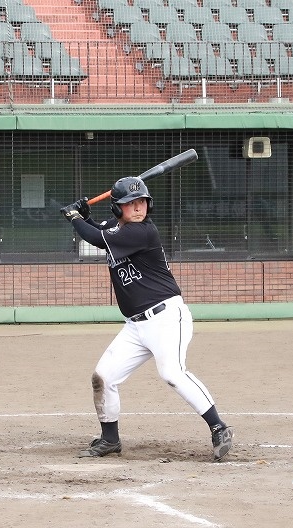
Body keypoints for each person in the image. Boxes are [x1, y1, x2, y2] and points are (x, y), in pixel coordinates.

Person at [60, 176, 234, 461]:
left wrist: (74, 217)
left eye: (142, 201)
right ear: (118, 208)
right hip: (135, 325)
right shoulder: (116, 228)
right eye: (131, 203)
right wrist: (85, 218)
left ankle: (219, 428)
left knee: (172, 374)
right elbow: (101, 233)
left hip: (166, 317)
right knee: (103, 377)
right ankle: (110, 439)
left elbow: (96, 238)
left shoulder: (143, 232)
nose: (138, 208)